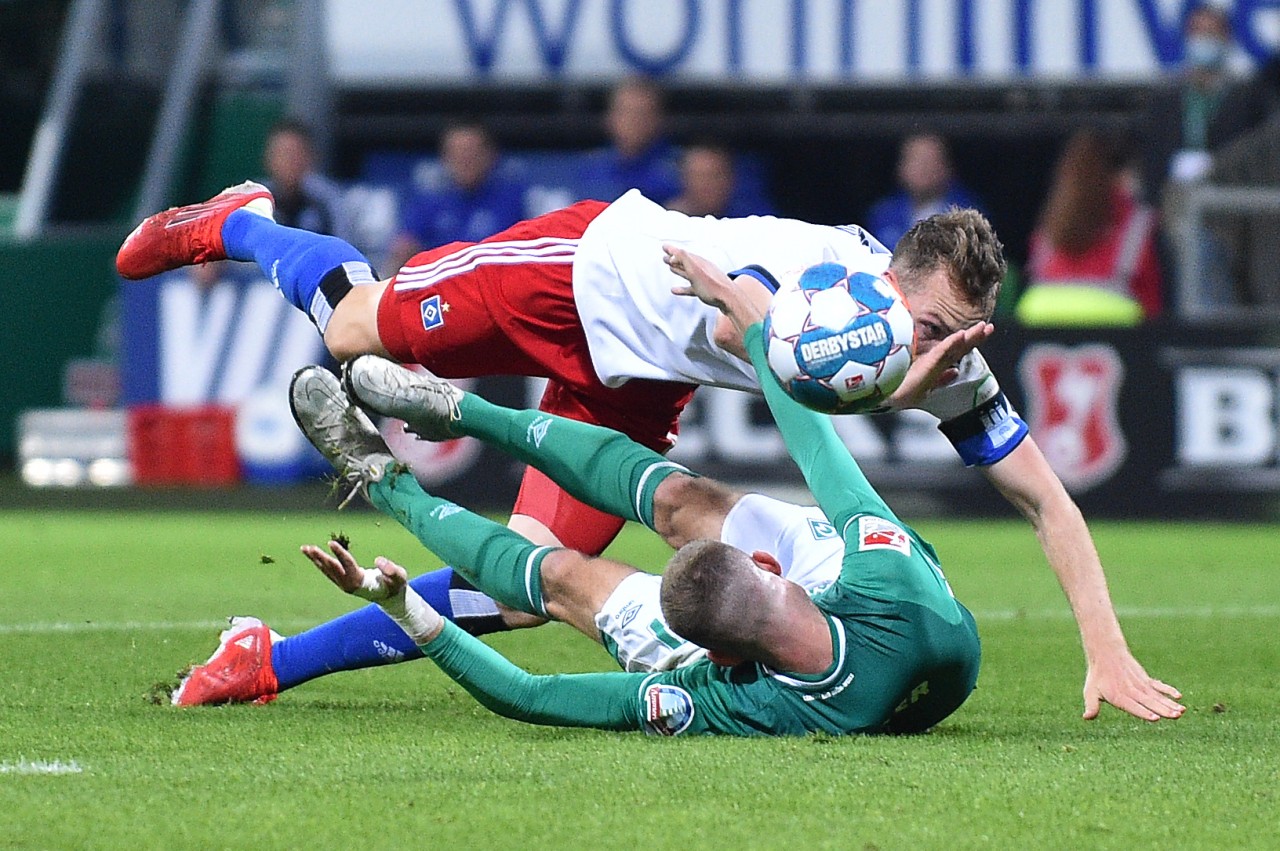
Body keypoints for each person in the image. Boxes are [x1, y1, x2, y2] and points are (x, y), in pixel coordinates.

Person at [116, 174, 1182, 722]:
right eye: (929, 323)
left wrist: (1104, 645)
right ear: (891, 283)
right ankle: (241, 220)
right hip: (587, 271)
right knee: (352, 327)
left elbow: (1049, 500)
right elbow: (746, 328)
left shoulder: (947, 364)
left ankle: (267, 659)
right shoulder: (827, 287)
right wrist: (870, 385)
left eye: (956, 336)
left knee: (529, 581)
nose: (939, 348)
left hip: (636, 372)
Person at [284, 345, 982, 736]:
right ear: (768, 563)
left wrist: (764, 332)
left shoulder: (726, 695)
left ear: (714, 657)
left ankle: (380, 464)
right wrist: (405, 600)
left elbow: (530, 692)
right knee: (647, 527)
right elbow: (526, 694)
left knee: (581, 568)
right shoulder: (887, 580)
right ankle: (439, 425)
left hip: (839, 633)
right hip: (853, 602)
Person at [1017, 129, 1164, 326]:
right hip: (1117, 330)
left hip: (1039, 322)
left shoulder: (1050, 218)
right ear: (1120, 172)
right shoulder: (1137, 222)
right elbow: (1154, 304)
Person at [384, 121, 529, 273]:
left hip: (495, 284)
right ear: (444, 157)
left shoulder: (513, 200)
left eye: (471, 153)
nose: (465, 161)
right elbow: (404, 247)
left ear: (490, 155)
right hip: (440, 285)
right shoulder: (430, 201)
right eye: (457, 154)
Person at [866, 132, 983, 251]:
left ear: (947, 168)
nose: (923, 169)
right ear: (901, 167)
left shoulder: (967, 215)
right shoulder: (883, 214)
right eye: (915, 161)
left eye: (930, 161)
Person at [572, 77, 682, 205]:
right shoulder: (591, 169)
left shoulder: (678, 172)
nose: (633, 121)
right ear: (609, 118)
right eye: (625, 112)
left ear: (659, 119)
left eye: (641, 113)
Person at [666, 142, 775, 218]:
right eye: (699, 176)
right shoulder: (668, 219)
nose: (706, 185)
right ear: (684, 179)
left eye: (713, 176)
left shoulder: (753, 218)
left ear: (730, 178)